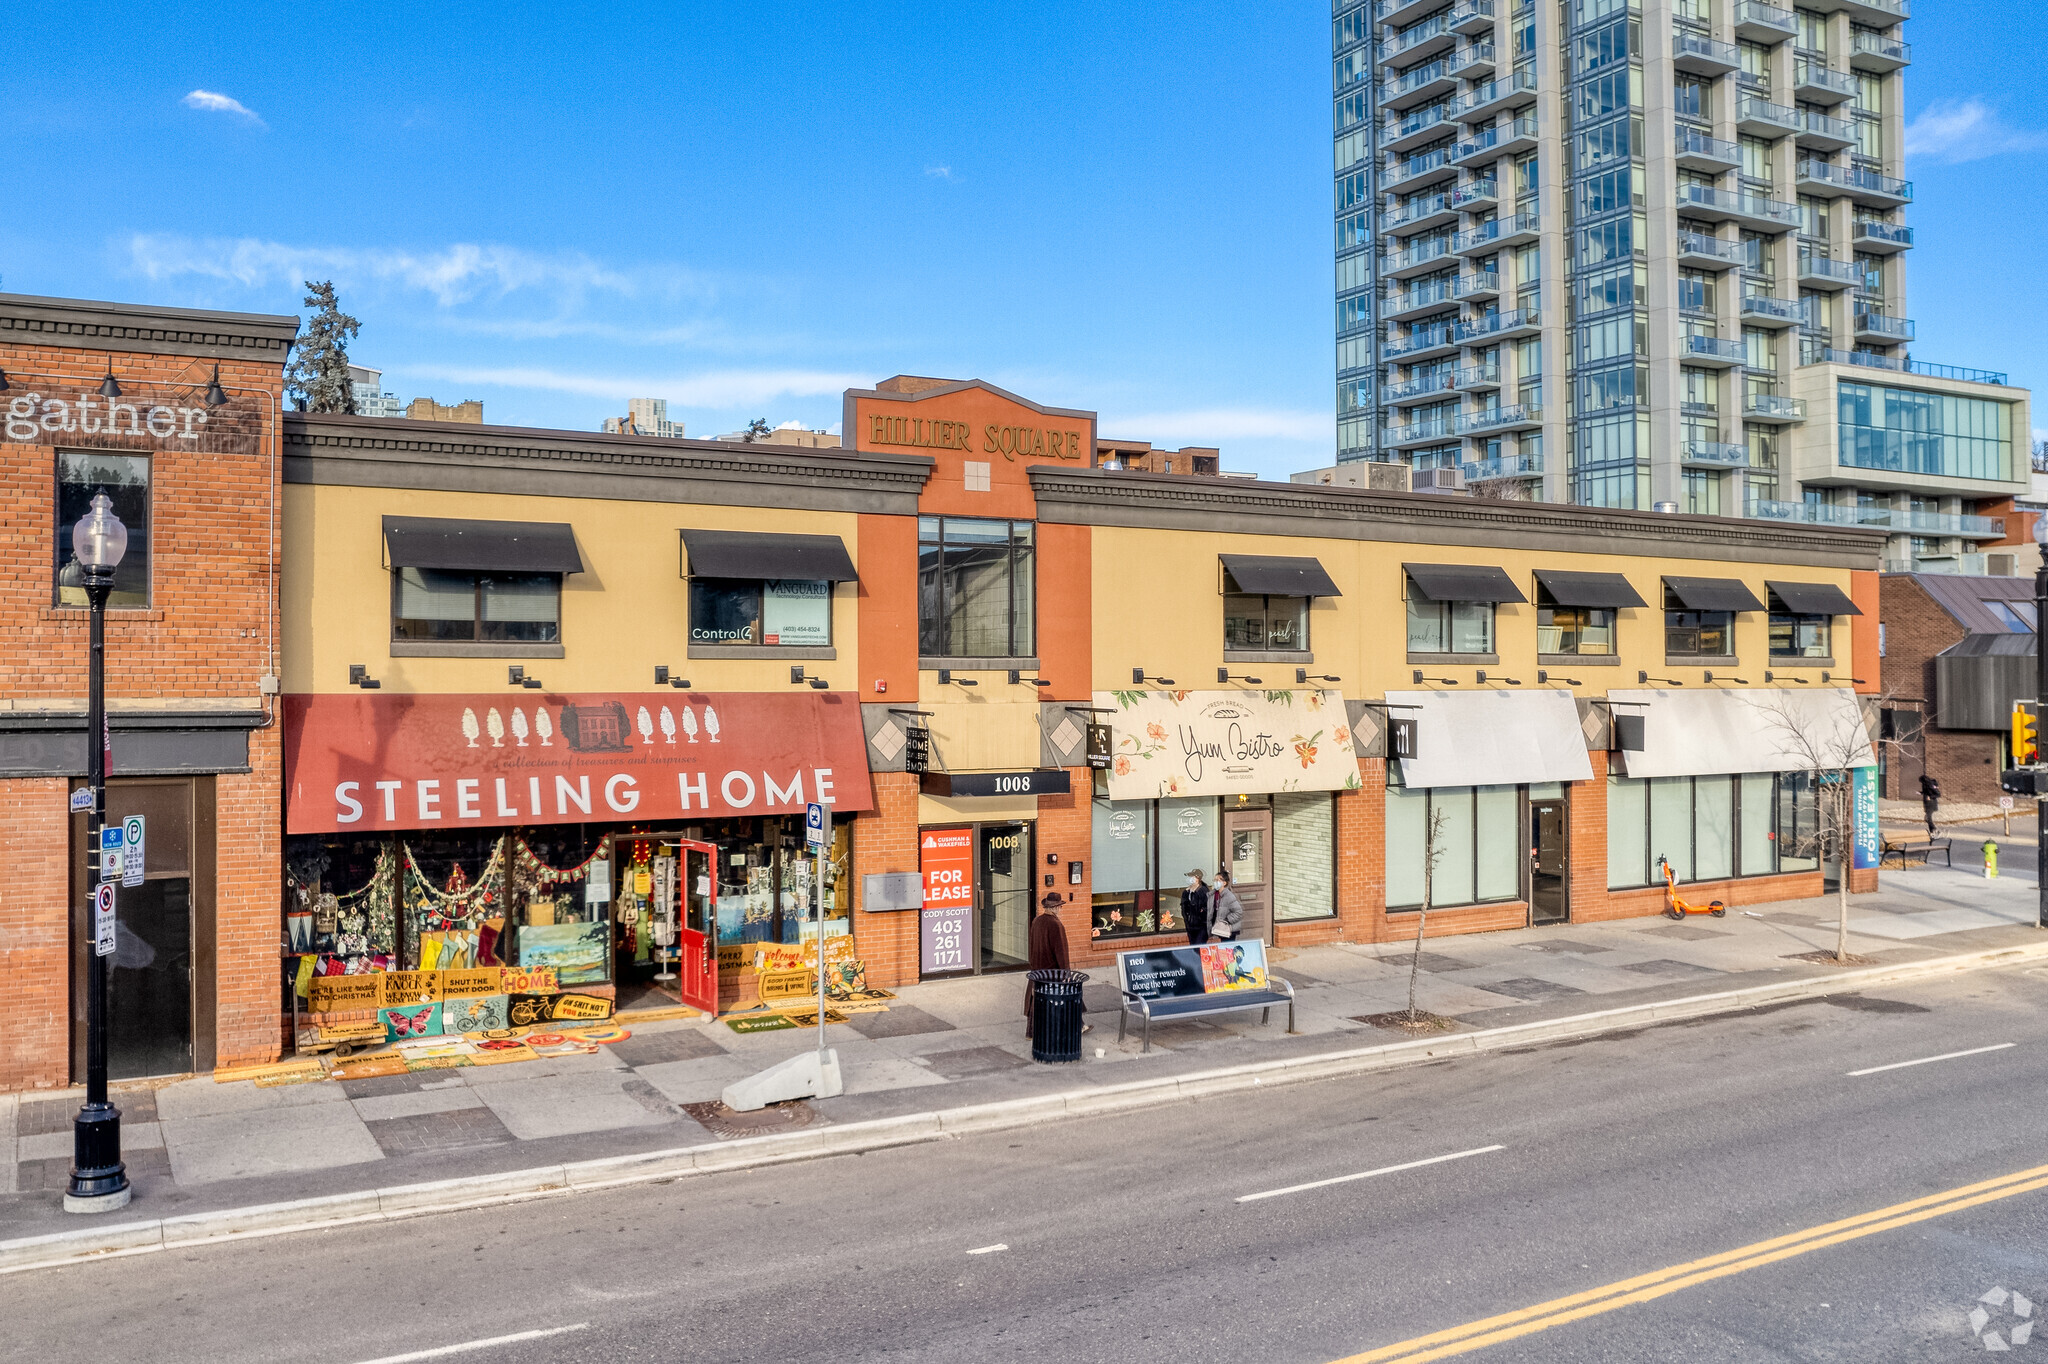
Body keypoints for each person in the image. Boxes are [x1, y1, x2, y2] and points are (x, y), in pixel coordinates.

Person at [1024, 896, 1089, 1039]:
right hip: (1053, 972)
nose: (1061, 909)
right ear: (1055, 908)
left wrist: (1034, 965)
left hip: (1038, 970)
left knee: (1037, 1001)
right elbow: (1062, 952)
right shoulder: (1056, 925)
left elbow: (1032, 945)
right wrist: (1066, 973)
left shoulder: (1036, 921)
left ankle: (1031, 1032)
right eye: (1060, 906)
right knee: (1068, 998)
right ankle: (1078, 1026)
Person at [1208, 870, 1245, 942]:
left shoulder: (1229, 896)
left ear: (1224, 883)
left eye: (1217, 880)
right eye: (1214, 880)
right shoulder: (1214, 895)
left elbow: (1238, 912)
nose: (1215, 882)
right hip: (1220, 928)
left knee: (1227, 949)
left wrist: (1226, 920)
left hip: (1229, 929)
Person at [1181, 869, 1211, 946]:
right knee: (1193, 946)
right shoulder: (1187, 892)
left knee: (1198, 946)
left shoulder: (1203, 891)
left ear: (1197, 878)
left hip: (1202, 926)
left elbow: (1208, 907)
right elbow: (1184, 908)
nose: (1189, 878)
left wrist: (1202, 914)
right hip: (1191, 926)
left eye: (1191, 876)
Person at [1919, 772, 1942, 840]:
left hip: (1931, 803)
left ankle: (1935, 830)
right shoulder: (1925, 785)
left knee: (1928, 818)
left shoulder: (1930, 785)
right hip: (1927, 804)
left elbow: (1938, 794)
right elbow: (1926, 792)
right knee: (1928, 818)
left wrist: (1930, 797)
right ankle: (1932, 832)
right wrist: (1920, 793)